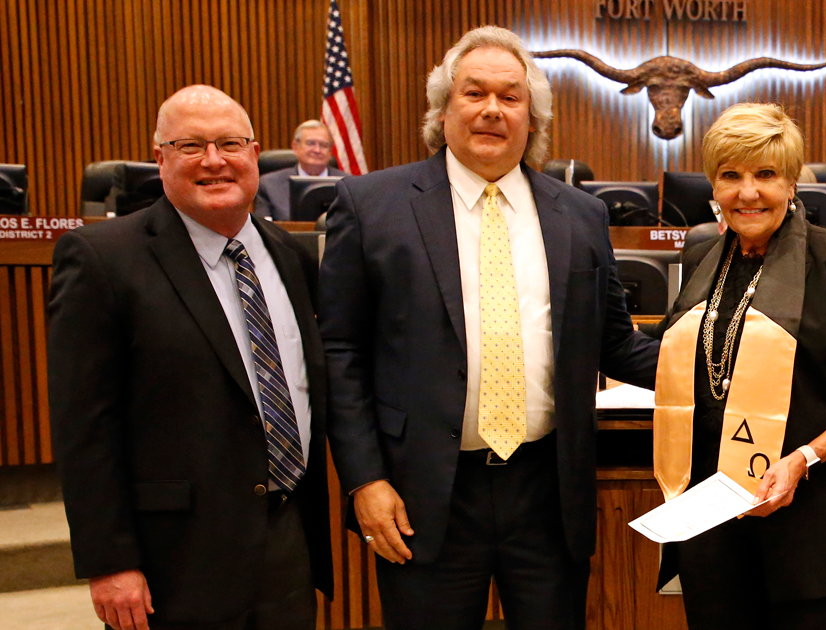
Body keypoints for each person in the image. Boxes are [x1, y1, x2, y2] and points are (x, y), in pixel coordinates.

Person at [318, 25, 659, 630]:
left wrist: (724, 363)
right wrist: (364, 480)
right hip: (422, 493)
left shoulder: (582, 216)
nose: (492, 110)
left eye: (510, 96)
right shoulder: (371, 206)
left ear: (533, 118)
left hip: (548, 492)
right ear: (443, 109)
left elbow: (614, 342)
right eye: (474, 93)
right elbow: (340, 350)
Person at [47, 85, 332, 630]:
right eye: (191, 146)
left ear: (254, 153)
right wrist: (111, 561)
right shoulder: (102, 259)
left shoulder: (290, 256)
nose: (214, 160)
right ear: (160, 159)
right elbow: (84, 427)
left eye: (230, 143)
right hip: (174, 558)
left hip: (286, 540)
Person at [649, 102, 826, 630]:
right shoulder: (700, 259)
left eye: (765, 174)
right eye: (731, 176)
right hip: (715, 531)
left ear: (791, 182)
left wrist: (804, 458)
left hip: (815, 531)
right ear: (713, 187)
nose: (748, 193)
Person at [256, 120, 347, 220]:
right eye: (310, 143)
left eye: (323, 145)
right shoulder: (269, 185)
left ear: (330, 152)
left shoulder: (349, 184)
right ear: (295, 147)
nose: (317, 150)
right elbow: (262, 225)